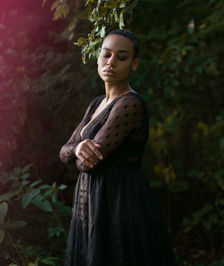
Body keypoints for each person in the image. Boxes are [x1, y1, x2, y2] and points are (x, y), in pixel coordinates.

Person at [59, 29, 177, 266]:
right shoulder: (96, 104)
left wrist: (76, 151)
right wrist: (78, 146)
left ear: (134, 64)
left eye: (121, 57)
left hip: (120, 202)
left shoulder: (130, 104)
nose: (111, 61)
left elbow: (87, 164)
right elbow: (64, 152)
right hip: (92, 201)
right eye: (106, 54)